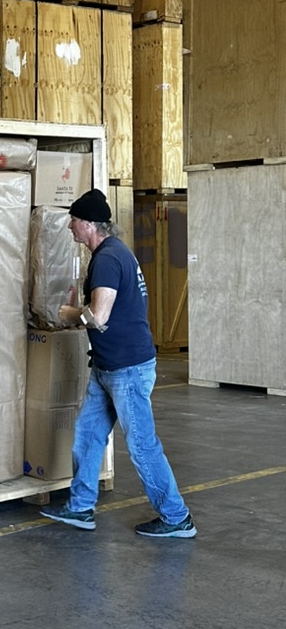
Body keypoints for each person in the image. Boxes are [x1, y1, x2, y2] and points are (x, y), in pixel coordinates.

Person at [39, 188, 196, 539]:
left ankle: (176, 517)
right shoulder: (113, 253)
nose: (70, 228)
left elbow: (98, 316)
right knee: (88, 434)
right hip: (108, 366)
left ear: (90, 224)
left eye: (74, 221)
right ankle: (80, 507)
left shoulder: (109, 259)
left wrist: (70, 314)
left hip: (127, 369)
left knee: (142, 445)